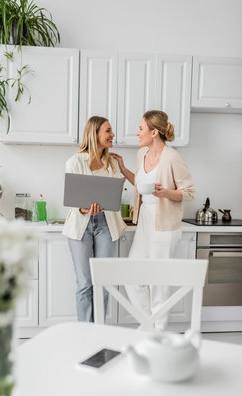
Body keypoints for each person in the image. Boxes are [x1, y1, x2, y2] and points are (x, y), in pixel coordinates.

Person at [111, 110, 195, 330]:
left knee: (158, 280)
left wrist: (165, 192)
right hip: (146, 220)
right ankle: (149, 324)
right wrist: (123, 169)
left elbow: (188, 192)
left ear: (154, 131)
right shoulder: (142, 155)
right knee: (132, 275)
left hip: (165, 221)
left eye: (141, 128)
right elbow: (141, 186)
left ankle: (158, 331)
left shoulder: (172, 157)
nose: (138, 133)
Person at [62, 116, 126, 322]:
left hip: (106, 224)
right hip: (80, 225)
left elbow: (115, 195)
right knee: (84, 282)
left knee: (103, 282)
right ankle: (84, 331)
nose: (112, 135)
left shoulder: (112, 164)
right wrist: (84, 208)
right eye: (108, 131)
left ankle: (99, 328)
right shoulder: (75, 161)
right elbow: (71, 199)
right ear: (95, 134)